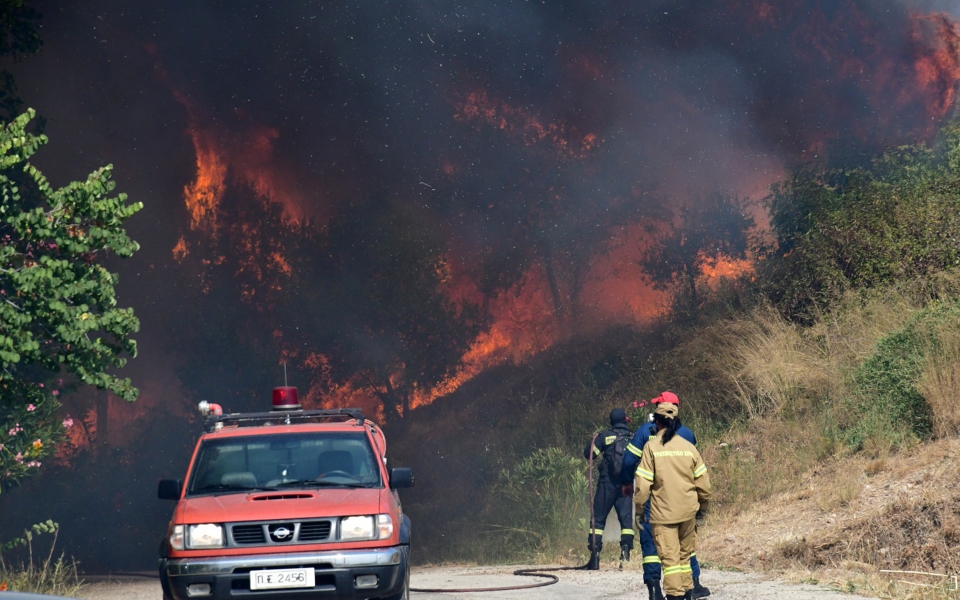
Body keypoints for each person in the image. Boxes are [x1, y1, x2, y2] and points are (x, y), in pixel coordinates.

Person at [621, 392, 710, 600]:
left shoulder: (648, 440)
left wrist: (638, 508)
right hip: (687, 507)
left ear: (657, 418)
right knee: (685, 555)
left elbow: (636, 475)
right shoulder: (688, 440)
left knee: (664, 556)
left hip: (660, 507)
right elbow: (703, 482)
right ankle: (691, 589)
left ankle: (659, 591)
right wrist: (702, 508)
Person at [582, 407, 635, 570]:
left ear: (612, 421)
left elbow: (589, 454)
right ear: (625, 420)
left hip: (607, 484)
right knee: (626, 521)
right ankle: (625, 556)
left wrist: (595, 439)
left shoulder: (605, 436)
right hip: (626, 484)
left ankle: (595, 557)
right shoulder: (633, 437)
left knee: (598, 520)